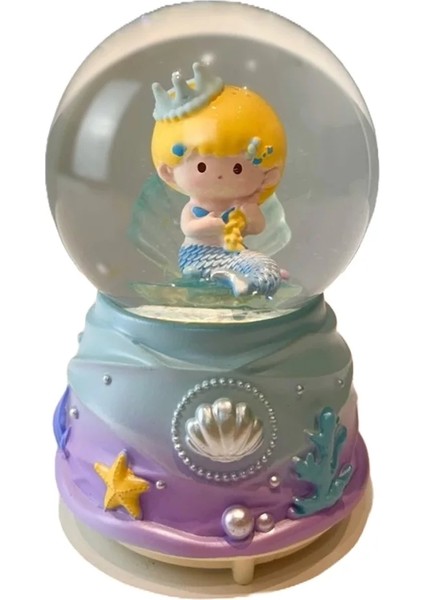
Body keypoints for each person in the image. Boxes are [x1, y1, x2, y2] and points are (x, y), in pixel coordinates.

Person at [151, 62, 288, 297]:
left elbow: (257, 227)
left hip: (233, 253)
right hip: (197, 256)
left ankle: (252, 277)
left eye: (237, 168)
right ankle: (234, 276)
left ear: (267, 175)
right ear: (168, 172)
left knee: (259, 263)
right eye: (201, 167)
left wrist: (250, 213)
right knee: (252, 263)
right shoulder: (194, 208)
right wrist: (208, 225)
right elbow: (189, 228)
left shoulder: (240, 205)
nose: (220, 176)